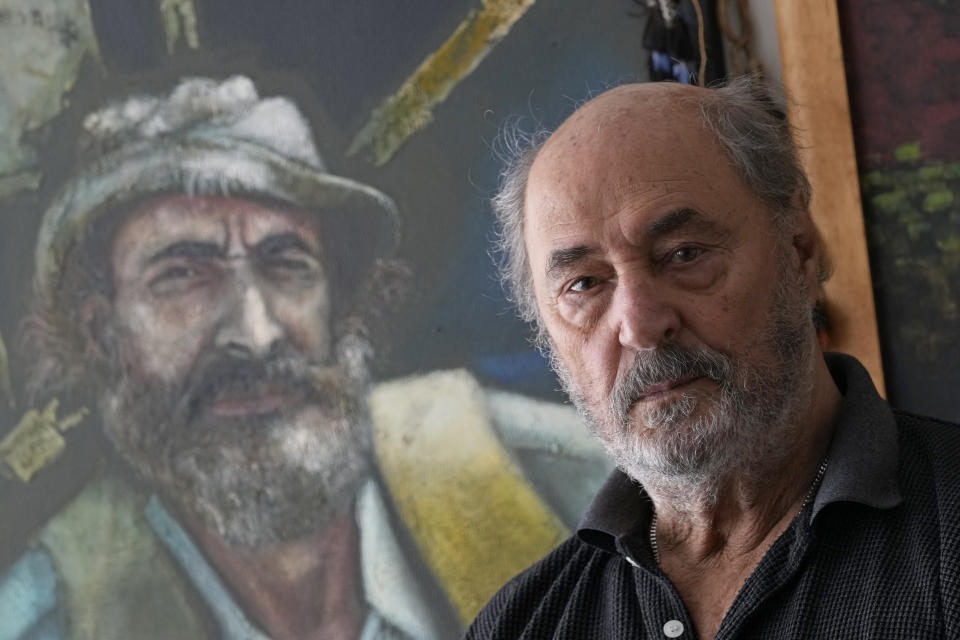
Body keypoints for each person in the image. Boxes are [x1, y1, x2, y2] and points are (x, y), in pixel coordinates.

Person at [0, 75, 613, 640]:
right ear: (103, 334)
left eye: (286, 263)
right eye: (183, 275)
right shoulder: (58, 613)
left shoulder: (543, 478)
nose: (257, 332)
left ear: (340, 302)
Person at [467, 77, 960, 639]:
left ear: (799, 249)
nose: (641, 326)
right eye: (583, 284)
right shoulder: (518, 625)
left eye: (683, 254)